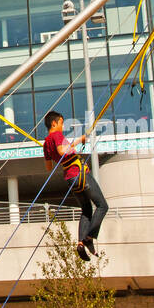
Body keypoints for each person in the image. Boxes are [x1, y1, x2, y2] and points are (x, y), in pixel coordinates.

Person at [42, 110, 109, 261]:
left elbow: (48, 167)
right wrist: (79, 140)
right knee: (102, 206)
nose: (62, 126)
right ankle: (88, 237)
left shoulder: (46, 143)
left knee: (86, 209)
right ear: (54, 123)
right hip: (79, 174)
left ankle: (80, 243)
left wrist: (53, 151)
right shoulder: (56, 135)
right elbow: (62, 151)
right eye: (61, 123)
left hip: (69, 178)